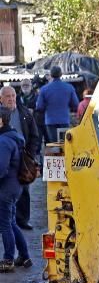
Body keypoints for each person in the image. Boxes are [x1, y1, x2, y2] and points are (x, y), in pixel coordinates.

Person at [0, 86, 40, 231]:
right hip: (3, 156)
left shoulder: (25, 113)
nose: (11, 99)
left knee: (24, 189)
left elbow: (35, 136)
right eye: (7, 96)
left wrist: (30, 154)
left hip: (21, 157)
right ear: (1, 99)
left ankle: (23, 220)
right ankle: (4, 220)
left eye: (13, 96)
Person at [0, 107, 29, 272]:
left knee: (5, 224)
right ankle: (24, 256)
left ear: (1, 120)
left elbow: (1, 168)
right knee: (11, 222)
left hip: (6, 188)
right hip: (15, 186)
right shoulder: (14, 136)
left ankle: (8, 259)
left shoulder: (3, 141)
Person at [35, 66, 78, 143]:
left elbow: (39, 107)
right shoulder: (69, 87)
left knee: (54, 145)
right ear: (61, 74)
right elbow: (75, 104)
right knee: (65, 144)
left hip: (50, 121)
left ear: (51, 75)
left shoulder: (44, 89)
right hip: (64, 120)